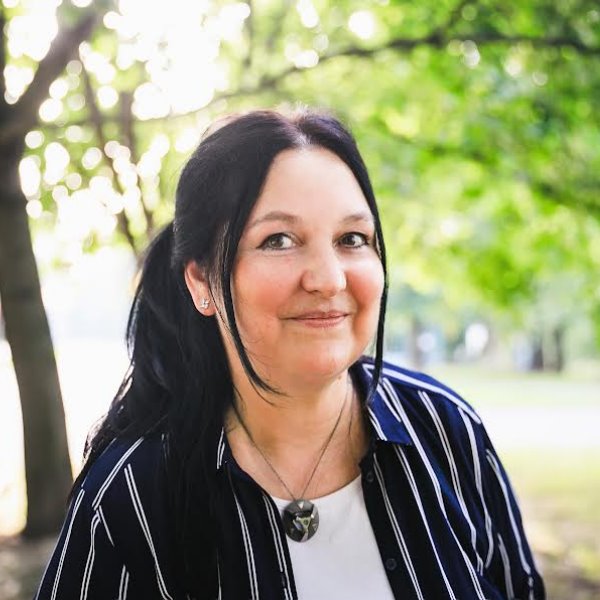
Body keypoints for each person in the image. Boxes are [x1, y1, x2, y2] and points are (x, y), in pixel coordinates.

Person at [35, 108, 545, 600]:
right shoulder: (131, 498)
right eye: (278, 240)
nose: (328, 279)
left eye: (352, 238)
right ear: (201, 281)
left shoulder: (446, 431)